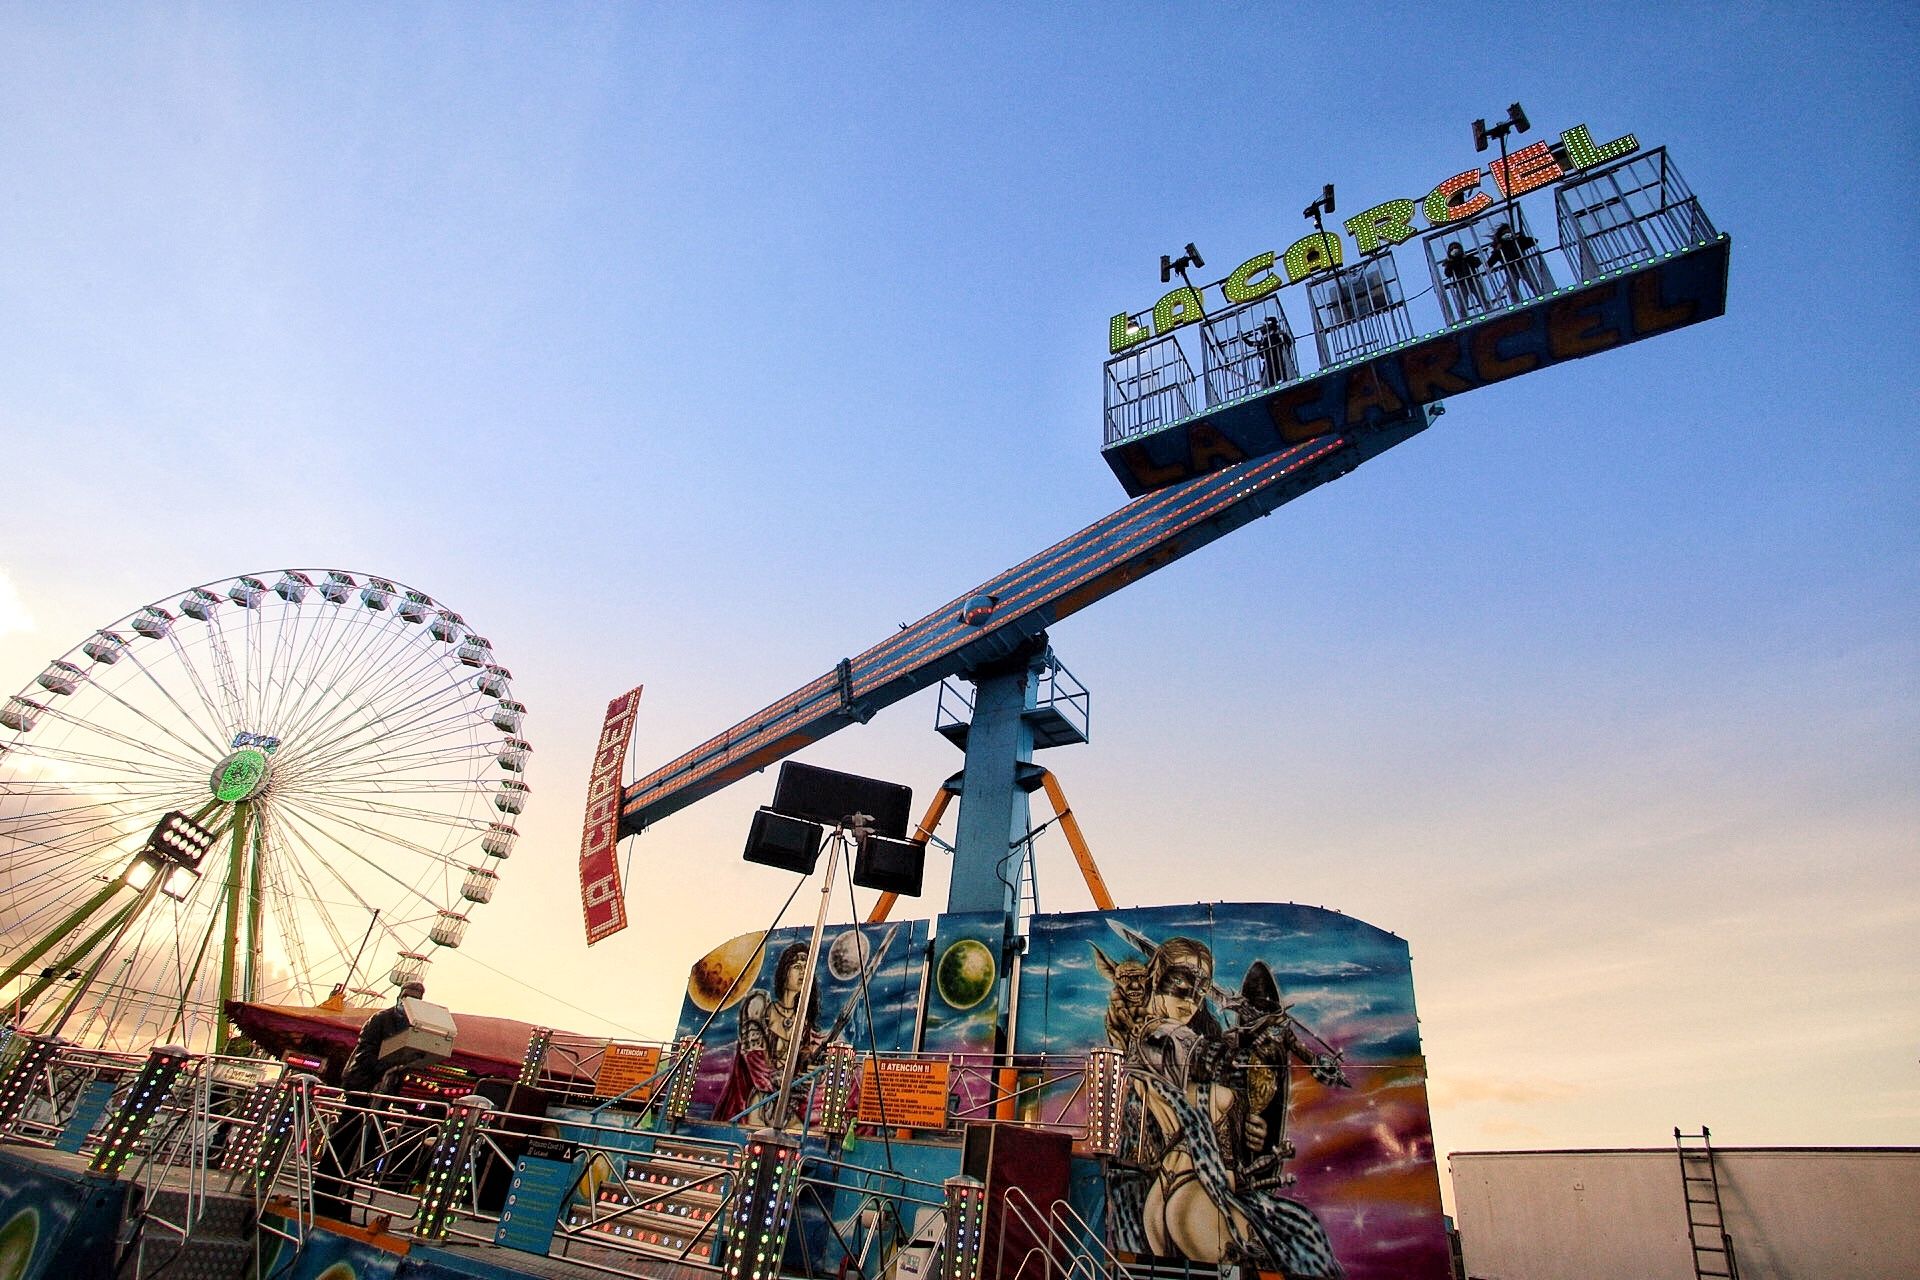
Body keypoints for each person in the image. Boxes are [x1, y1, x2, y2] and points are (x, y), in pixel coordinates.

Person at [314, 980, 424, 1221]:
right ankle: (322, 1197)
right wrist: (388, 1065)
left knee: (362, 1150)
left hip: (382, 1095)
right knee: (343, 1143)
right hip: (363, 1088)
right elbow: (365, 1054)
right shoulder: (380, 1020)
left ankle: (343, 1200)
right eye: (408, 996)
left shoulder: (412, 1026)